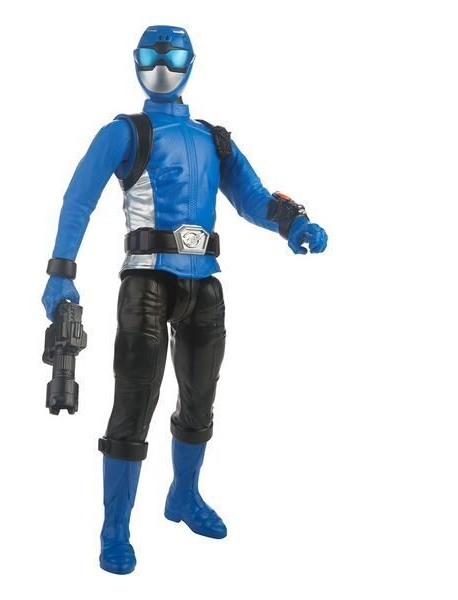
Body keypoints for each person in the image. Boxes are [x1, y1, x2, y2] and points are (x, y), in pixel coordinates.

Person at [42, 25, 328, 575]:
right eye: (152, 56)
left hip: (205, 285)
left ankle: (184, 496)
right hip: (147, 282)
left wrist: (293, 223)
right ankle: (115, 529)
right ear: (136, 62)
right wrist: (61, 271)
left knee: (200, 400)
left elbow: (253, 197)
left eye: (172, 56)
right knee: (134, 404)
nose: (162, 67)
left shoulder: (213, 138)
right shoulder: (125, 132)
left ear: (190, 63)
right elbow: (78, 199)